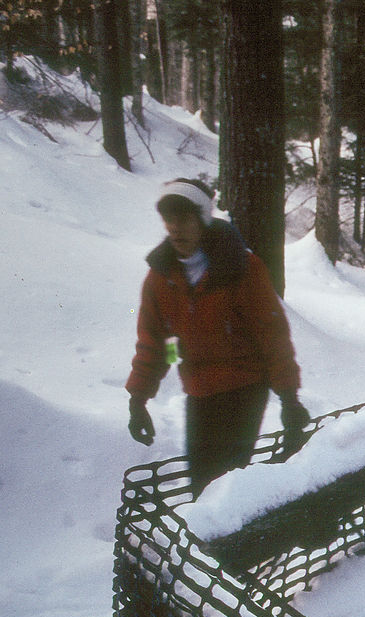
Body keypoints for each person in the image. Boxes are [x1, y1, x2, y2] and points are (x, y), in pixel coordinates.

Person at [126, 178, 309, 492]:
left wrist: (289, 398)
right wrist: (138, 399)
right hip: (199, 391)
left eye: (183, 218)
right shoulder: (160, 278)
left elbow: (272, 336)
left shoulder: (240, 267)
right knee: (201, 483)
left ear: (202, 219)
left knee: (225, 484)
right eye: (169, 219)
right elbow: (156, 343)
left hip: (245, 387)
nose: (174, 227)